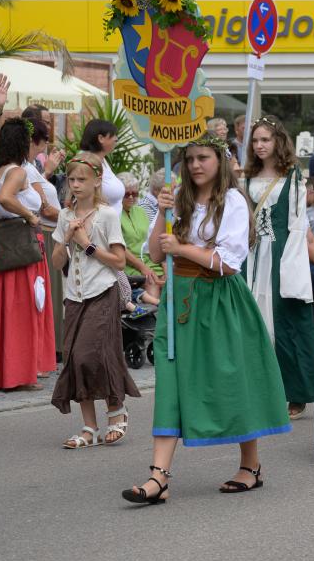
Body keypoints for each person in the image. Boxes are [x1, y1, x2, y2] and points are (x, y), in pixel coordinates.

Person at [122, 134, 291, 505]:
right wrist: (163, 213)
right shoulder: (179, 198)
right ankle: (158, 476)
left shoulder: (232, 201)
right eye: (190, 159)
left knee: (232, 378)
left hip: (218, 298)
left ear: (219, 160)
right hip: (178, 298)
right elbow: (155, 254)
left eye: (203, 158)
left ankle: (251, 465)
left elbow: (228, 263)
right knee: (170, 380)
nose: (195, 165)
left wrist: (182, 247)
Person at [50, 153, 140, 448]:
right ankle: (89, 427)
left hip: (102, 291)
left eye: (81, 179)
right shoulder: (65, 215)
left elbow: (118, 261)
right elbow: (56, 262)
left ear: (97, 181)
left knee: (96, 354)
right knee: (75, 358)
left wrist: (87, 245)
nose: (75, 185)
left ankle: (116, 410)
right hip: (74, 295)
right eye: (71, 179)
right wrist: (66, 238)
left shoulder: (107, 215)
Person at [243, 116, 314, 421]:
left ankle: (295, 392)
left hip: (280, 254)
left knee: (284, 323)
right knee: (253, 323)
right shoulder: (248, 176)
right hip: (251, 254)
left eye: (265, 139)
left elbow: (297, 225)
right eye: (255, 140)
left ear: (278, 141)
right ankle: (258, 390)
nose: (260, 145)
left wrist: (291, 267)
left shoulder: (293, 176)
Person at [0, 118, 58, 390]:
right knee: (24, 308)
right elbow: (5, 198)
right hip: (21, 243)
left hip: (2, 243)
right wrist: (29, 215)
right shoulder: (17, 172)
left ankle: (3, 373)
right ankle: (19, 374)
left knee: (4, 310)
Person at [24, 119, 63, 369]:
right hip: (46, 233)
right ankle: (49, 350)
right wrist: (72, 216)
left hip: (50, 232)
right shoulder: (27, 169)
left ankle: (51, 348)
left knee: (50, 295)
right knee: (46, 295)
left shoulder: (31, 168)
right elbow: (44, 207)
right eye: (45, 139)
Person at [117, 172, 163, 308]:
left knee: (172, 280)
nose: (131, 197)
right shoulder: (114, 213)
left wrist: (165, 266)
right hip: (130, 266)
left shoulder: (141, 211)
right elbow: (120, 248)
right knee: (152, 282)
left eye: (135, 193)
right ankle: (154, 317)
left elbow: (152, 241)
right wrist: (143, 268)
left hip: (150, 262)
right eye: (126, 194)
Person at [78, 119, 125, 211]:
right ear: (101, 138)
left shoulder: (102, 159)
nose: (116, 139)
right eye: (113, 135)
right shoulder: (86, 162)